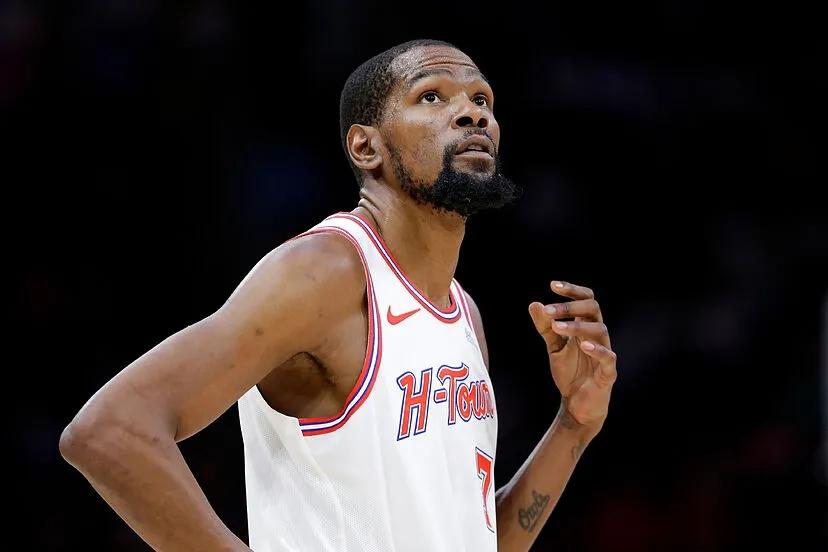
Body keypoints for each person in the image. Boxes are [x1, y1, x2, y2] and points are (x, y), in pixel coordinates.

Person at [59, 38, 617, 552]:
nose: (473, 113)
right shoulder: (326, 272)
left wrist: (574, 423)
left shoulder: (463, 313)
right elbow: (110, 430)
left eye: (482, 99)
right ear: (365, 146)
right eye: (431, 96)